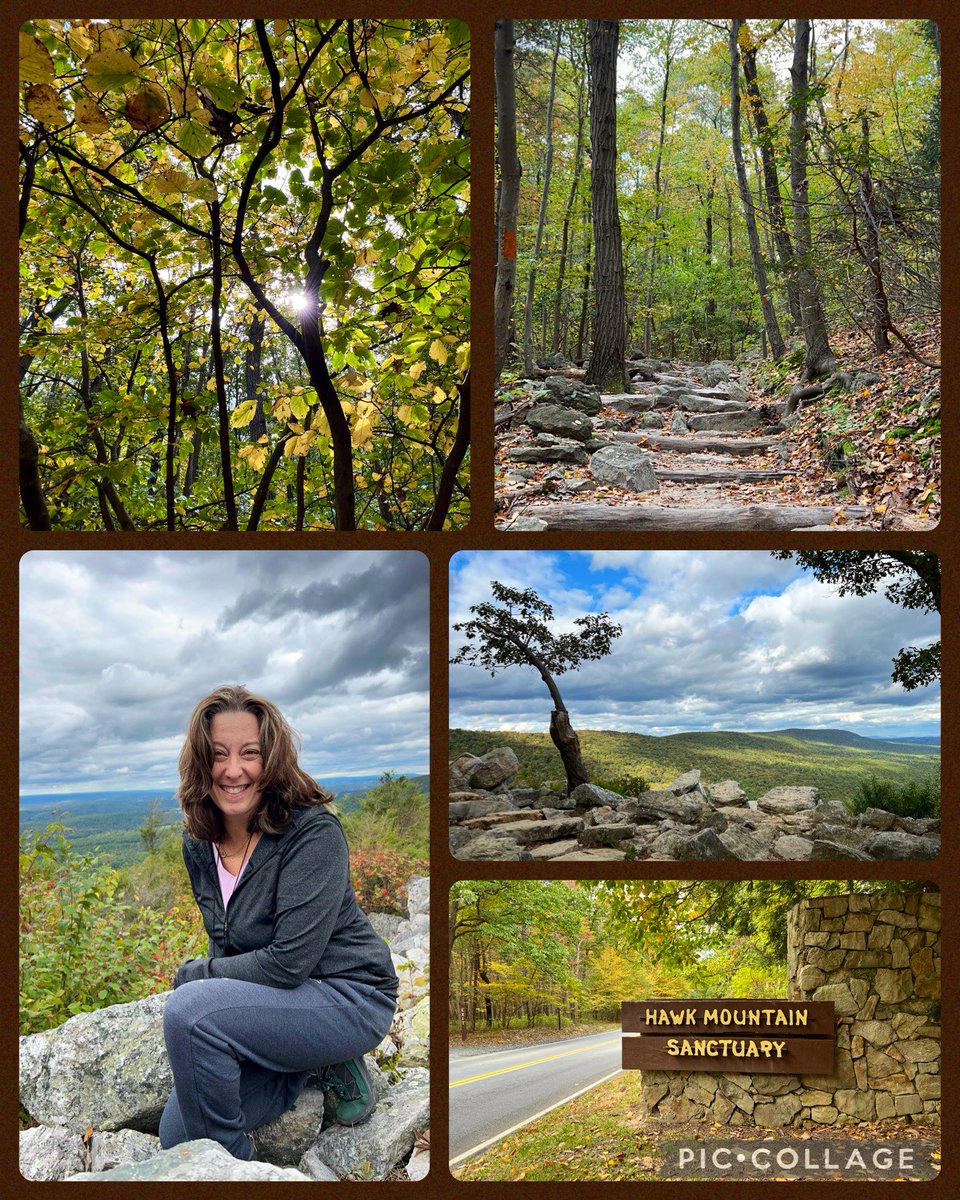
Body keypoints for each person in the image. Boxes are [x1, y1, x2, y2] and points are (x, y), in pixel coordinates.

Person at [158, 685, 399, 1161]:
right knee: (177, 1134)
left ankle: (235, 1176)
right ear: (199, 760)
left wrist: (197, 976)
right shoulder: (198, 842)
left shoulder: (311, 834)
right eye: (218, 754)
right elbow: (225, 942)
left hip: (348, 995)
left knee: (189, 1012)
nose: (233, 770)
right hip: (277, 1005)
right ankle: (307, 1063)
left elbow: (289, 963)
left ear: (271, 760)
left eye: (250, 754)